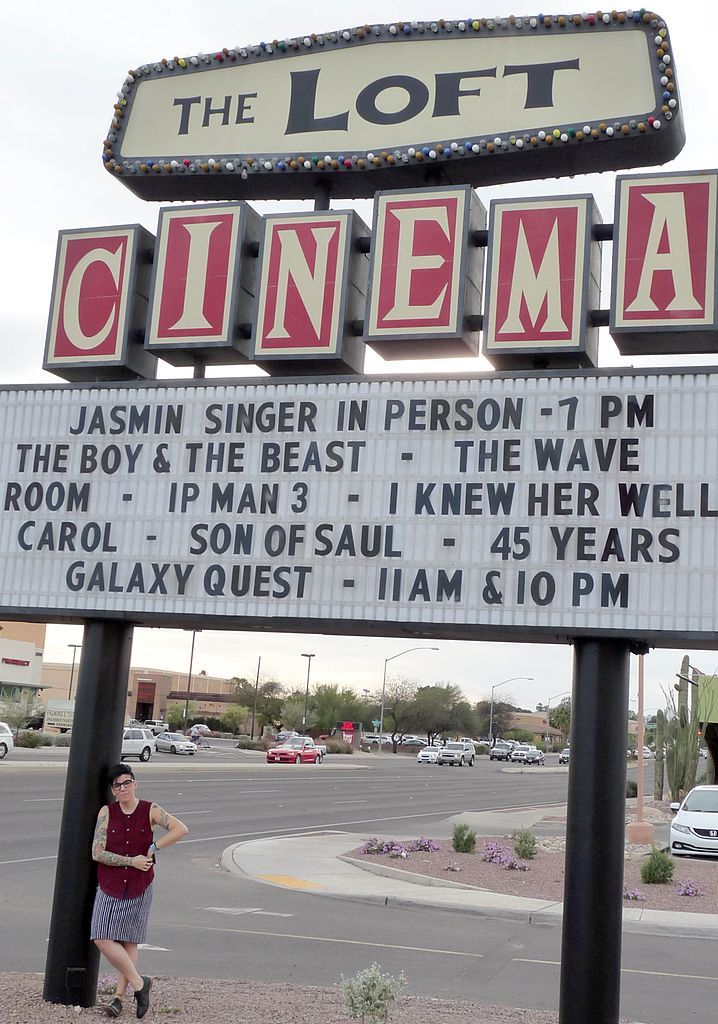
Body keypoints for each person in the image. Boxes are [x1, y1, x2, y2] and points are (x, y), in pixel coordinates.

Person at [90, 762, 188, 1018]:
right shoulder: (106, 813)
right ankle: (140, 983)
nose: (123, 789)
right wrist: (130, 860)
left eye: (127, 783)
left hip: (139, 886)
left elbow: (180, 829)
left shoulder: (151, 810)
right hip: (109, 884)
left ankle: (118, 999)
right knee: (101, 936)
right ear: (113, 790)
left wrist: (154, 848)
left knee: (128, 940)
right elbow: (97, 852)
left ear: (135, 783)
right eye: (117, 786)